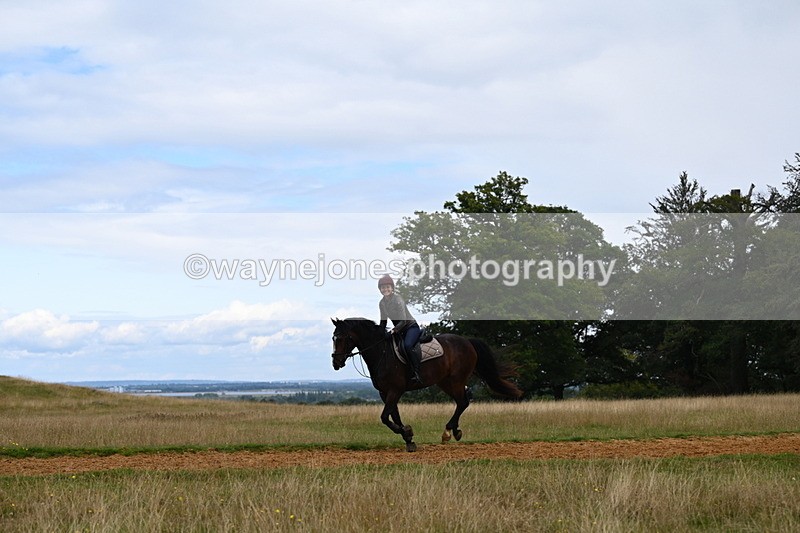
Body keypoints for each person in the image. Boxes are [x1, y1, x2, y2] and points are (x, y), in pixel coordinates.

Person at [377, 274, 422, 384]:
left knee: (407, 346)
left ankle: (416, 373)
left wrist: (392, 331)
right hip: (399, 330)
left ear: (392, 288)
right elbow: (383, 321)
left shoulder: (398, 299)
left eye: (388, 287)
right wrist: (378, 333)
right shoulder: (382, 303)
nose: (385, 289)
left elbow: (403, 321)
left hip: (410, 327)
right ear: (380, 289)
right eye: (383, 287)